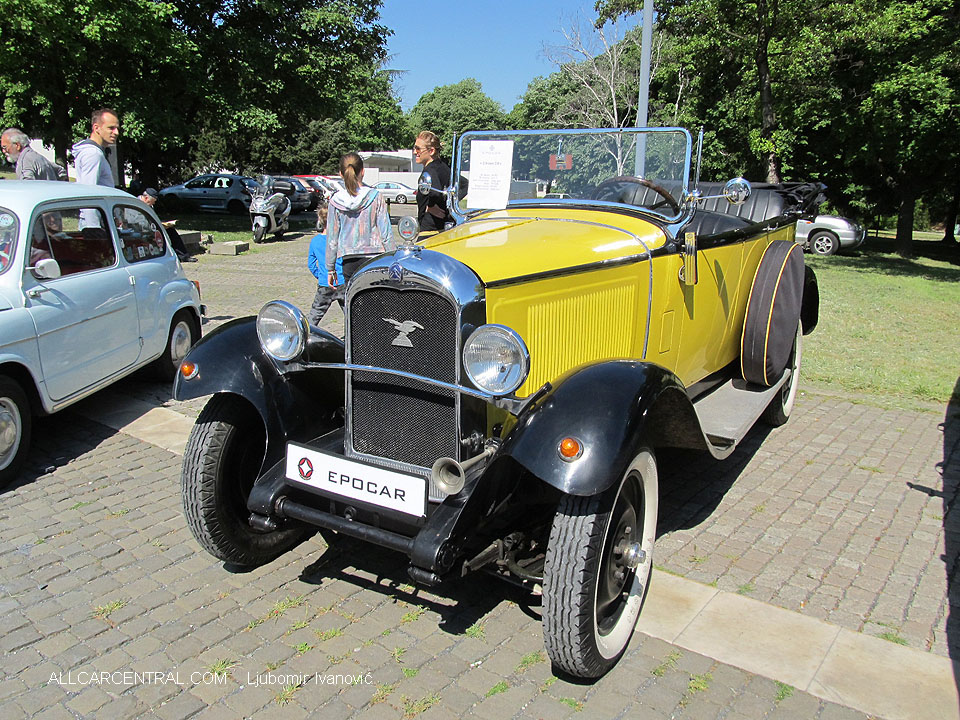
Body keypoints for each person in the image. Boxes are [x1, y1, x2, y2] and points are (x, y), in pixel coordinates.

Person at [325, 152, 394, 293]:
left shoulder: (335, 200)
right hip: (375, 258)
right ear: (363, 172)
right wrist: (393, 259)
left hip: (349, 259)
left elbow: (332, 239)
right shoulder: (375, 196)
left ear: (341, 174)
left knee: (354, 303)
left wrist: (330, 269)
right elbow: (386, 234)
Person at [307, 204, 343, 325]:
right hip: (342, 282)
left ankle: (305, 336)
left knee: (315, 314)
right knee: (351, 315)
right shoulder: (341, 239)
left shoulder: (315, 241)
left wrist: (321, 275)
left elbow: (311, 264)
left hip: (324, 283)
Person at [138, 188, 196, 262]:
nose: (153, 204)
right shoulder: (135, 204)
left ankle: (183, 255)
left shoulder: (148, 205)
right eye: (153, 202)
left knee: (171, 231)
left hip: (152, 226)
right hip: (142, 229)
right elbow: (136, 222)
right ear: (146, 198)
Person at [414, 131, 452, 231]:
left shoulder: (430, 170)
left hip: (430, 227)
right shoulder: (444, 167)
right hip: (445, 225)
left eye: (418, 149)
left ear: (431, 151)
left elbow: (435, 193)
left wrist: (429, 206)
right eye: (414, 148)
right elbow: (463, 185)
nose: (414, 152)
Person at [72, 108, 119, 188]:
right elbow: (89, 191)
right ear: (96, 128)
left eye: (117, 128)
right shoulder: (93, 154)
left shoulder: (93, 152)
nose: (116, 132)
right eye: (111, 128)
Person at [1, 128, 67, 181]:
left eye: (5, 147)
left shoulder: (24, 161)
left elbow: (26, 187)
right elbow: (61, 172)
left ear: (17, 146)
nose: (3, 151)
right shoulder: (37, 156)